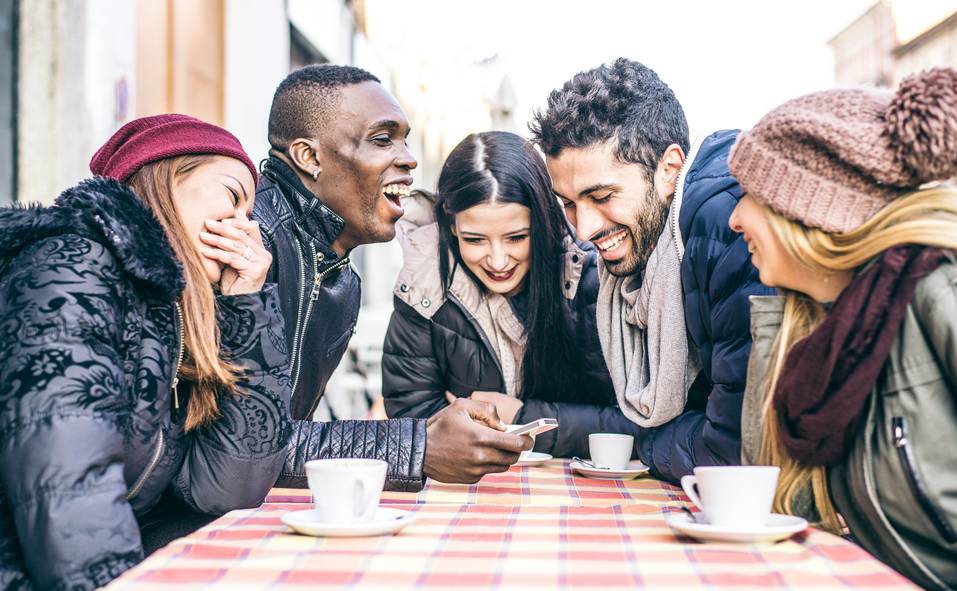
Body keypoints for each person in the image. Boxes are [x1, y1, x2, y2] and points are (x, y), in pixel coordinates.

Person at [729, 67, 957, 591]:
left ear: (806, 210)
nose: (734, 219)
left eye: (749, 195)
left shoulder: (949, 288)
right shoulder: (823, 328)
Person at [0, 114, 291, 591]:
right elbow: (66, 489)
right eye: (232, 196)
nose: (245, 227)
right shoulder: (73, 263)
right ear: (167, 176)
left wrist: (248, 303)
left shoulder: (172, 314)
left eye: (252, 214)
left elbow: (227, 488)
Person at [254, 65, 531, 488]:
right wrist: (419, 447)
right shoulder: (249, 244)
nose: (409, 157)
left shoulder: (338, 275)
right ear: (309, 157)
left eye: (404, 138)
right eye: (383, 139)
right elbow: (242, 447)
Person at [529, 59, 771, 482]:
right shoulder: (642, 258)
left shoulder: (725, 227)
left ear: (669, 169)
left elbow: (736, 456)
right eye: (567, 204)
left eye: (601, 195)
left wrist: (645, 440)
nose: (584, 230)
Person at [380, 132, 620, 455]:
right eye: (475, 240)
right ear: (452, 228)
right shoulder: (423, 288)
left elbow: (636, 423)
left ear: (543, 223)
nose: (497, 260)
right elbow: (411, 425)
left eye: (517, 237)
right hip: (466, 491)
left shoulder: (588, 276)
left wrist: (520, 417)